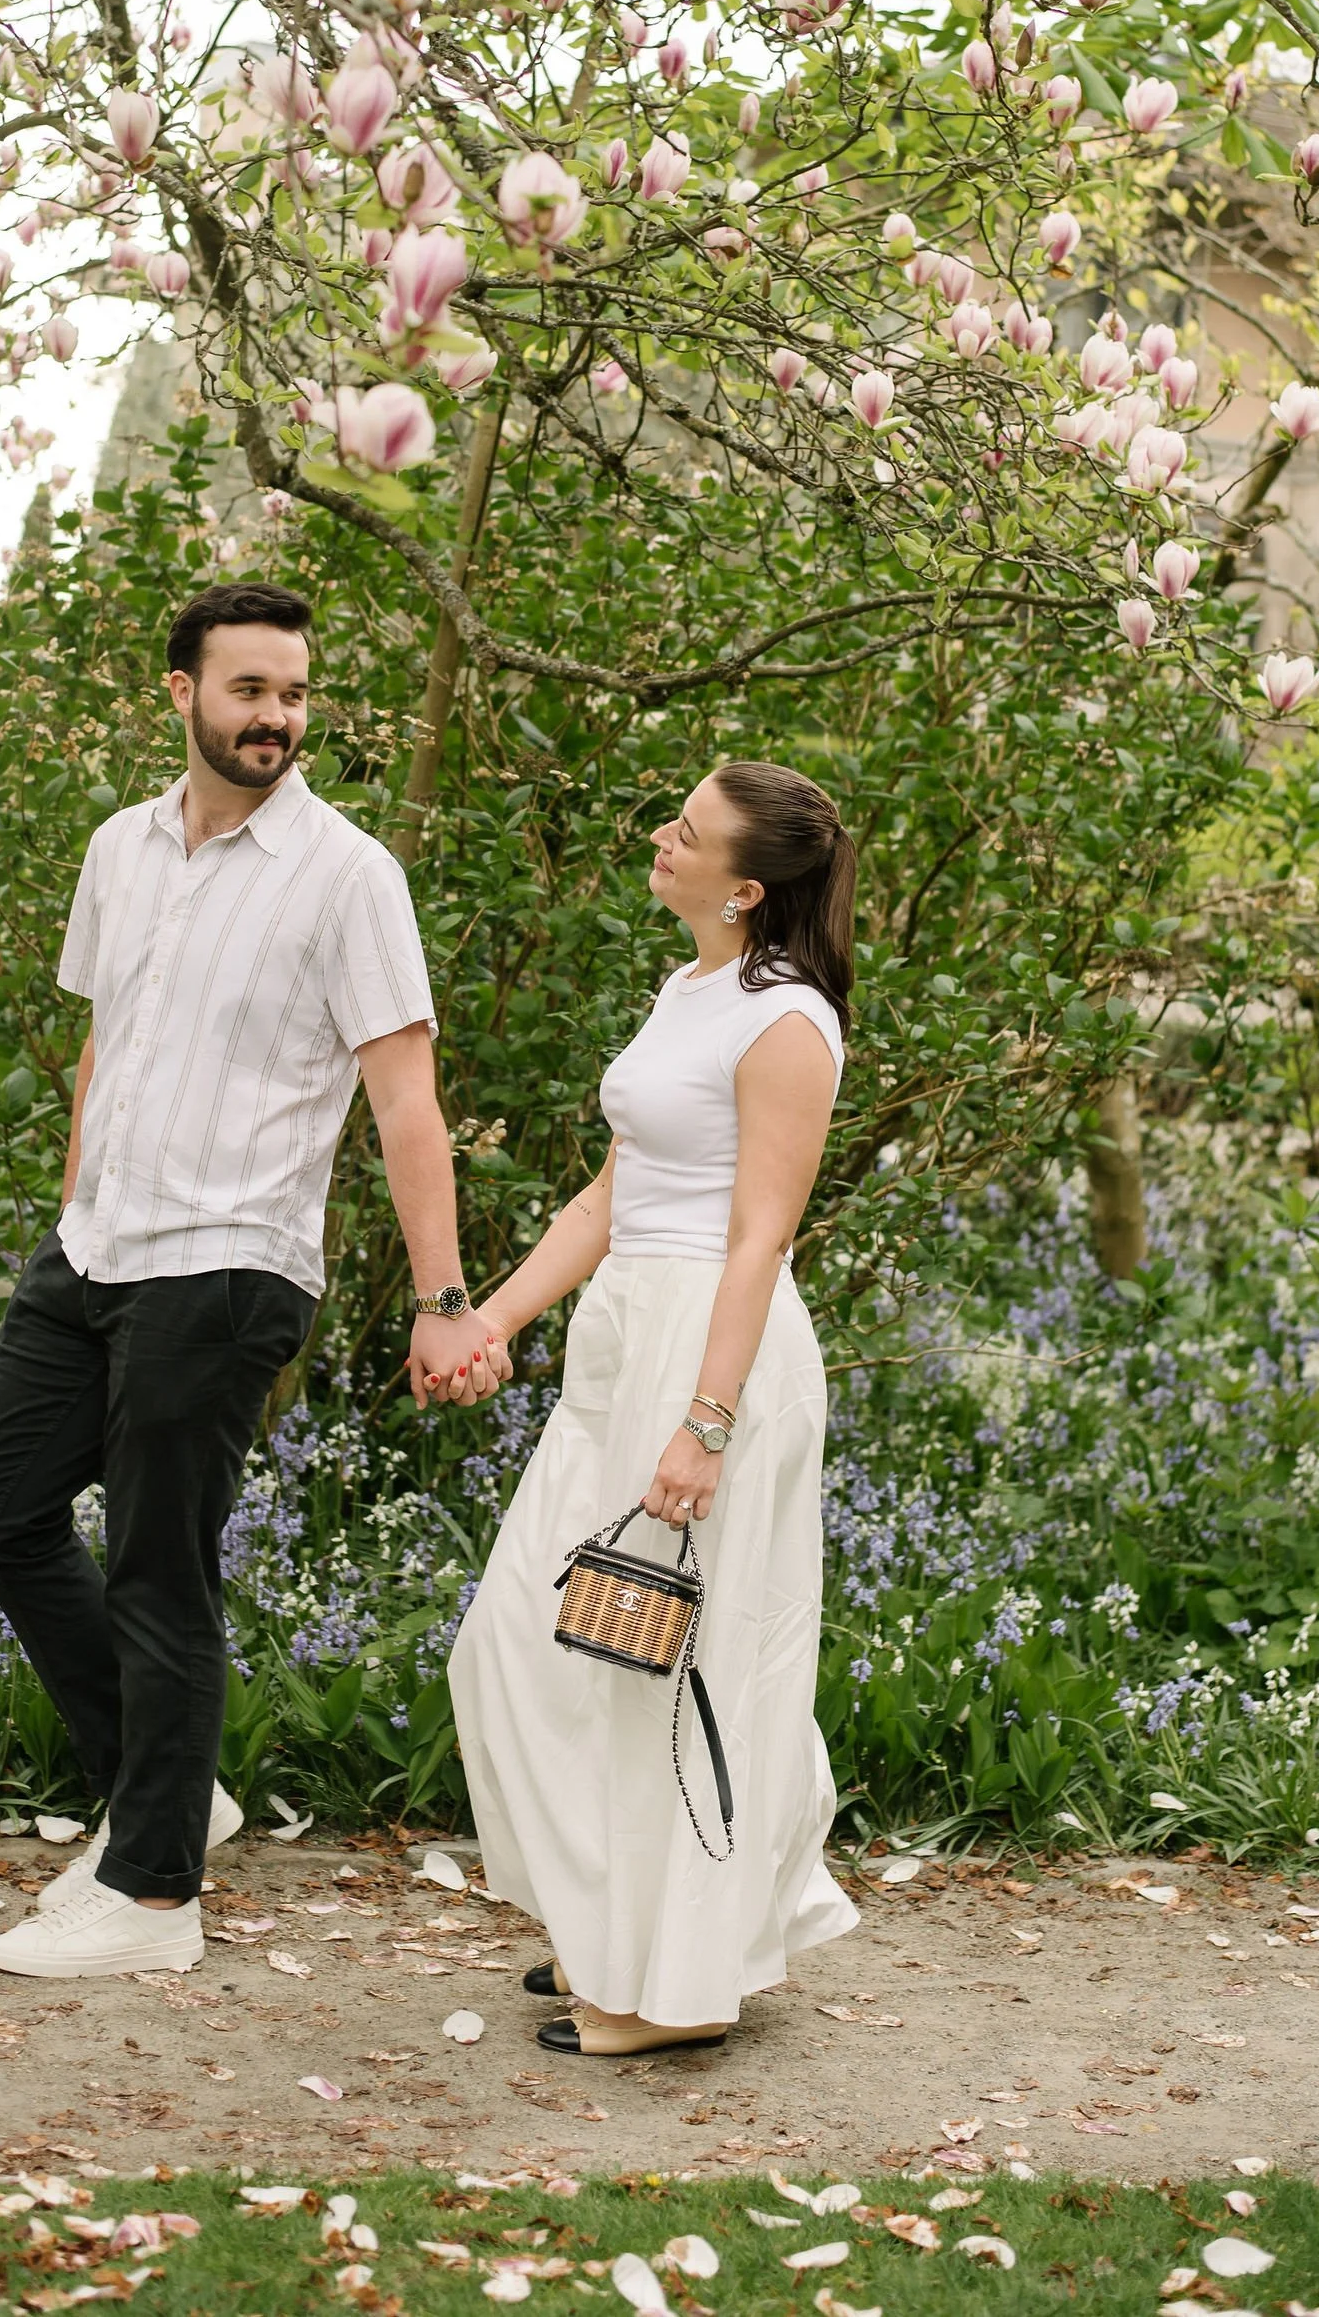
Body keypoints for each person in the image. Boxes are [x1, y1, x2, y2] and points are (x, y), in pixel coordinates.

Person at [0, 580, 509, 1978]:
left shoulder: (347, 877)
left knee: (158, 1567)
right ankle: (168, 1789)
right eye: (250, 691)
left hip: (231, 1262)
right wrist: (73, 1202)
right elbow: (107, 1045)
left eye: (296, 695)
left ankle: (152, 1901)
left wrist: (446, 1303)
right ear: (182, 693)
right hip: (96, 1248)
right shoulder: (119, 851)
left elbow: (407, 1106)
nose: (278, 718)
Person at [447, 760, 860, 2056]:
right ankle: (608, 1922)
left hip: (714, 1351)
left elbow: (758, 1240)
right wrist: (492, 1320)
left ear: (745, 887)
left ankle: (659, 1992)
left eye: (684, 832)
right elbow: (606, 1197)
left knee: (680, 1670)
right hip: (625, 1334)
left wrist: (708, 1423)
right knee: (525, 1639)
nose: (658, 838)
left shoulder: (786, 1022)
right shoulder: (689, 987)